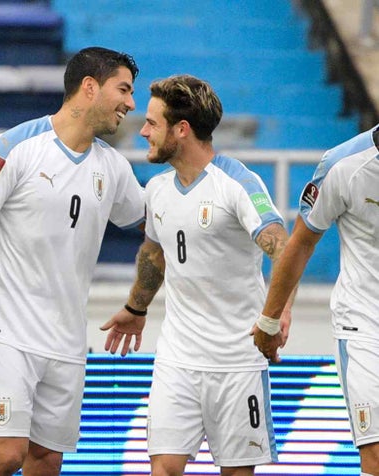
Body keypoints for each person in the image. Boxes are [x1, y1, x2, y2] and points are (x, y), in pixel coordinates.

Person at [0, 46, 145, 476]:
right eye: (123, 90)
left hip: (67, 339)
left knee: (46, 461)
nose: (130, 103)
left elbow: (155, 228)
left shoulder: (113, 167)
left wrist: (138, 304)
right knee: (5, 455)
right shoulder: (16, 146)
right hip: (6, 329)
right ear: (90, 87)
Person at [102, 74, 292, 476]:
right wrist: (135, 308)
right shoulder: (157, 189)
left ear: (182, 129)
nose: (144, 132)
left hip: (237, 363)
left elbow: (283, 249)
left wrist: (274, 317)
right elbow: (155, 252)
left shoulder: (237, 184)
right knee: (164, 468)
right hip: (178, 360)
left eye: (152, 123)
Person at [252, 126, 379, 475]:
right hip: (365, 325)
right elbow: (301, 243)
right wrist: (271, 318)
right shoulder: (343, 164)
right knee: (376, 453)